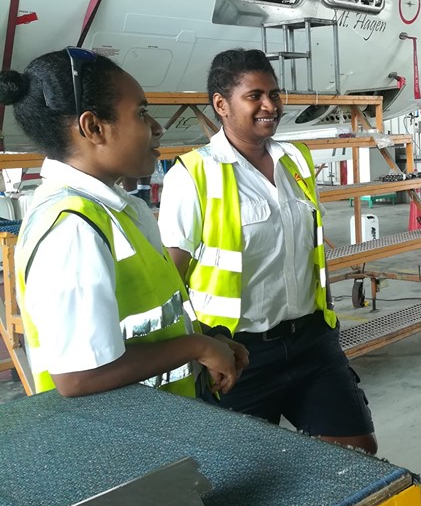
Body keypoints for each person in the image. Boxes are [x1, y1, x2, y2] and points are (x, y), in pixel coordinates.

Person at [159, 49, 377, 454]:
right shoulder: (193, 175)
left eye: (274, 94)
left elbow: (307, 247)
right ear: (221, 105)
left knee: (357, 453)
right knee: (252, 476)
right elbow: (171, 278)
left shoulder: (296, 159)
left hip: (312, 342)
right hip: (238, 356)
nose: (269, 106)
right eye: (254, 95)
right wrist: (204, 348)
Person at [0, 48, 246, 397]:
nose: (157, 128)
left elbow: (145, 319)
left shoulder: (120, 209)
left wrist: (207, 337)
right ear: (94, 127)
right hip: (117, 442)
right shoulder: (72, 228)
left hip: (158, 426)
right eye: (142, 114)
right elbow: (79, 377)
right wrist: (197, 348)